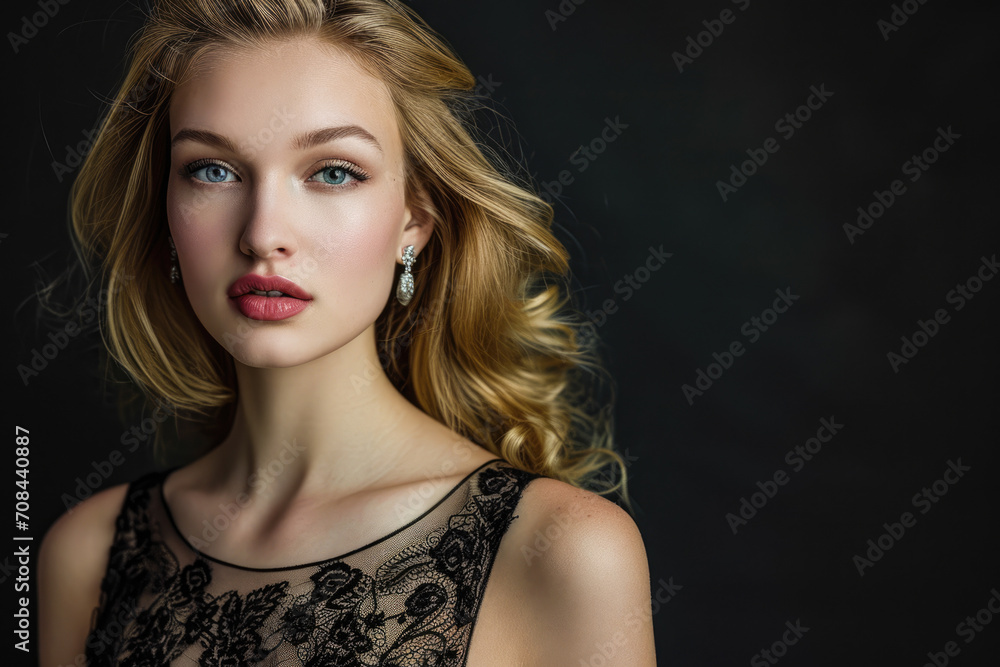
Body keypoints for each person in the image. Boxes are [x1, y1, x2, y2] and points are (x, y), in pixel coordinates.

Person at [37, 0, 656, 664]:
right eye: (212, 170)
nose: (263, 233)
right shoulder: (87, 555)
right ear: (166, 210)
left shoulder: (563, 551)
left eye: (333, 172)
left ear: (414, 221)